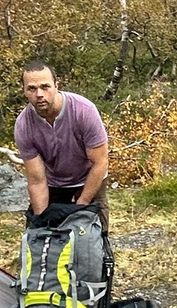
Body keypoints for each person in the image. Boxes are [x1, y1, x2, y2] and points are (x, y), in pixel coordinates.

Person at [14, 61, 110, 231]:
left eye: (45, 87)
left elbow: (100, 162)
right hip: (54, 182)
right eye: (32, 89)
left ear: (56, 86)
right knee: (38, 234)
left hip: (88, 177)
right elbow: (36, 180)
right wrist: (42, 221)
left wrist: (80, 208)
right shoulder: (24, 124)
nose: (39, 94)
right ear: (24, 91)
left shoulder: (84, 110)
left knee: (93, 237)